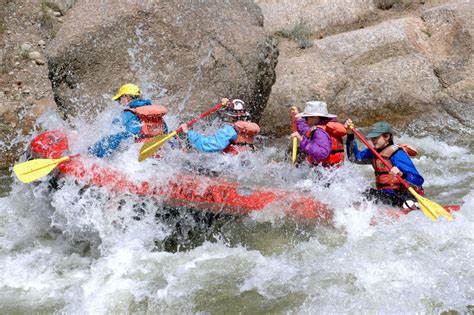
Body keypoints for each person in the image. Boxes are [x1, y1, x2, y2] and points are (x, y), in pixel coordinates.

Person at [344, 119, 424, 208]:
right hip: (385, 195)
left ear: (387, 137)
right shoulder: (373, 152)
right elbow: (353, 158)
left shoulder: (397, 154)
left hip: (401, 197)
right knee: (360, 193)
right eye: (372, 138)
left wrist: (402, 174)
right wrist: (350, 135)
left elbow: (418, 180)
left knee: (366, 195)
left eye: (376, 138)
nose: (373, 141)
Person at [88, 83, 169, 158]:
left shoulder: (128, 114)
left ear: (127, 97)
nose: (119, 102)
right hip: (158, 153)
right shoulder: (154, 113)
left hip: (137, 155)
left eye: (120, 98)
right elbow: (165, 132)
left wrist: (94, 151)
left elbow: (113, 138)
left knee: (114, 138)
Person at [179, 99, 260, 154]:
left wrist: (188, 132)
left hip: (230, 165)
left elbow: (209, 146)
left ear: (231, 116)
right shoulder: (247, 129)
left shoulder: (230, 130)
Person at [291, 101, 346, 167]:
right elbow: (306, 131)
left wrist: (302, 140)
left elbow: (321, 153)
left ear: (315, 117)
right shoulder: (323, 127)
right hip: (332, 171)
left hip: (325, 174)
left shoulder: (320, 132)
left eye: (306, 117)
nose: (305, 120)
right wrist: (298, 118)